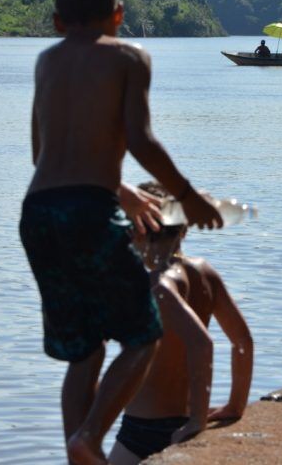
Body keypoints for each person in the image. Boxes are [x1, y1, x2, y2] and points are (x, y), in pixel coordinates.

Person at [19, 0, 223, 465]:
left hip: (39, 211)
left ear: (56, 21)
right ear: (119, 15)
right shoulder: (129, 57)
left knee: (85, 349)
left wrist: (121, 188)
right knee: (143, 335)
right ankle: (89, 437)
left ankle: (78, 453)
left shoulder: (45, 62)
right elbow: (141, 140)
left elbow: (42, 153)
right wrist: (189, 196)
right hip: (90, 210)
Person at [109, 182, 253, 464]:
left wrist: (198, 420)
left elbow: (201, 343)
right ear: (184, 229)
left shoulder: (158, 285)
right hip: (180, 420)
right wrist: (236, 405)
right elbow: (242, 341)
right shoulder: (205, 273)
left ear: (137, 232)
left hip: (144, 427)